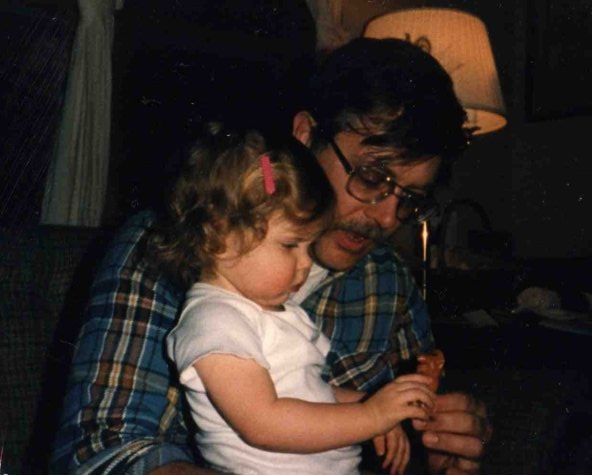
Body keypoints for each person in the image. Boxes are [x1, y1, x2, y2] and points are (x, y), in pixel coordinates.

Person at [51, 38, 491, 475]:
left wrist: (432, 449)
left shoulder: (388, 281)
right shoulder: (171, 247)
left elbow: (394, 439)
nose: (387, 216)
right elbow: (99, 451)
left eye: (410, 198)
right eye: (373, 175)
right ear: (305, 135)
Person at [156, 124, 436, 474]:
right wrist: (368, 416)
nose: (306, 263)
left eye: (308, 245)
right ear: (219, 235)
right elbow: (262, 422)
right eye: (290, 245)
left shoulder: (273, 311)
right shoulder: (214, 320)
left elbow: (311, 391)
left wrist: (373, 405)